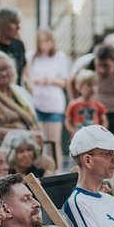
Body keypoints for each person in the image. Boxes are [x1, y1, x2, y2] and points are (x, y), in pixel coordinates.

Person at [25, 28, 70, 169]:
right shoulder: (31, 56)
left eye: (47, 42)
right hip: (37, 101)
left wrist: (49, 80)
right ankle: (44, 170)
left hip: (54, 102)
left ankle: (57, 169)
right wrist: (32, 85)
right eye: (41, 42)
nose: (44, 45)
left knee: (54, 140)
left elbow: (64, 81)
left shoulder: (59, 56)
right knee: (40, 140)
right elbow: (26, 77)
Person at [65, 70, 108, 137]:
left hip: (94, 138)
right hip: (79, 138)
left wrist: (100, 132)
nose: (93, 88)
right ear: (80, 86)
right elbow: (67, 121)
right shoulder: (73, 104)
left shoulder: (98, 105)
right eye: (89, 85)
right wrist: (73, 132)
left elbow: (104, 121)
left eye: (95, 85)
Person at [0, 7, 27, 85]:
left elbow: (23, 71)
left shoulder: (19, 45)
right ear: (2, 25)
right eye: (13, 23)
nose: (18, 27)